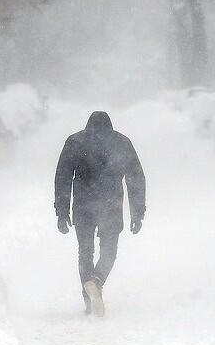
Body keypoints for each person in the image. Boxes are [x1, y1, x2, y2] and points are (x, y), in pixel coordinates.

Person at [54, 111, 146, 317]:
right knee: (109, 252)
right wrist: (137, 212)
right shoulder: (122, 143)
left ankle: (89, 300)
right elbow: (135, 178)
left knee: (85, 252)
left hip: (83, 205)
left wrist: (62, 212)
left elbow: (63, 177)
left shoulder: (75, 142)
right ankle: (97, 280)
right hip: (111, 205)